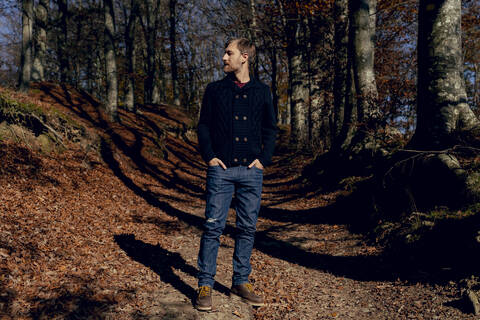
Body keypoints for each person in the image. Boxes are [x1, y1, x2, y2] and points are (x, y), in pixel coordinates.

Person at [195, 38, 277, 311]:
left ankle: (240, 281)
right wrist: (209, 156)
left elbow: (270, 129)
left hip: (251, 172)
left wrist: (263, 160)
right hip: (221, 171)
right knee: (212, 226)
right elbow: (203, 125)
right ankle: (205, 284)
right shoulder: (215, 90)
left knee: (247, 228)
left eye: (228, 53)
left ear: (244, 57)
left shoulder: (263, 91)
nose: (223, 58)